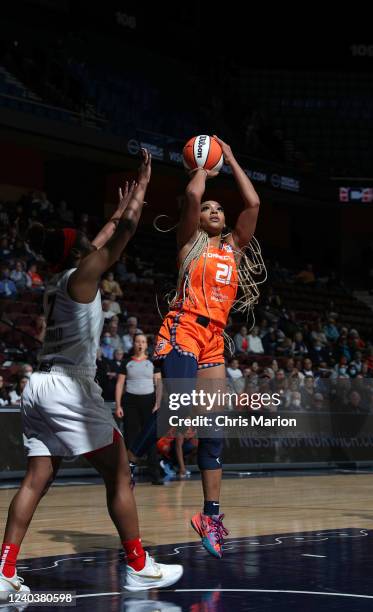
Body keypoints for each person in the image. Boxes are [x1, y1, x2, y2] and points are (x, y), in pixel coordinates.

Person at [0, 151, 182, 598]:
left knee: (35, 480)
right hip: (69, 387)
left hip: (38, 386)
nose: (90, 243)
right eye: (84, 242)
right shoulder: (83, 277)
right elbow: (122, 235)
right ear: (80, 254)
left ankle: (3, 570)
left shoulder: (62, 279)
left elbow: (102, 236)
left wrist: (117, 210)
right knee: (120, 472)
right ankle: (139, 565)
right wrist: (140, 191)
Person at [153, 135, 264, 558]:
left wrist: (232, 158)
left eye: (220, 209)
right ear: (198, 219)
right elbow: (193, 192)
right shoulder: (188, 244)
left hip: (214, 338)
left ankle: (210, 516)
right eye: (208, 210)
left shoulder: (234, 249)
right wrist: (204, 165)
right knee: (177, 409)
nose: (214, 210)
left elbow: (252, 205)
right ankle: (130, 458)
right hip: (183, 328)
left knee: (214, 433)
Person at [114, 334, 163, 484]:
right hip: (131, 403)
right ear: (133, 343)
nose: (140, 344)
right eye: (137, 341)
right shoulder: (126, 362)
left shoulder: (153, 362)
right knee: (131, 438)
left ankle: (154, 474)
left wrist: (158, 404)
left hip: (149, 402)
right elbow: (120, 384)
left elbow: (159, 384)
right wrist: (118, 405)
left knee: (151, 439)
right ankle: (128, 476)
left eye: (143, 341)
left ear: (146, 344)